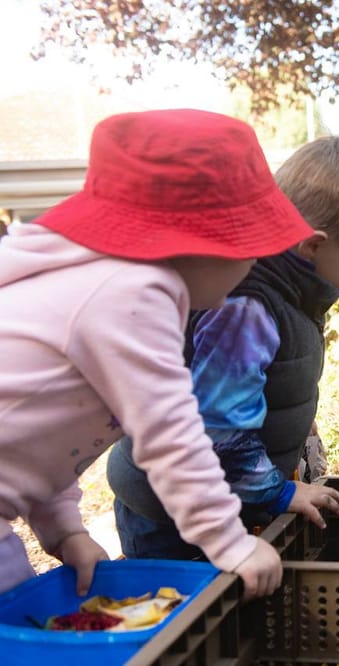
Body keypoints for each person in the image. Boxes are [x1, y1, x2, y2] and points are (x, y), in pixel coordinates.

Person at [0, 108, 312, 599]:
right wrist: (229, 542)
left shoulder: (98, 285)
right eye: (250, 243)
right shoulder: (133, 293)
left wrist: (64, 530)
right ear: (204, 244)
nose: (254, 260)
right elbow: (169, 433)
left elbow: (40, 431)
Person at [107, 135, 339, 560]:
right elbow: (221, 429)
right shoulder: (248, 308)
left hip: (211, 499)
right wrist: (277, 492)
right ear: (313, 245)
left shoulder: (293, 292)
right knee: (183, 612)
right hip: (174, 513)